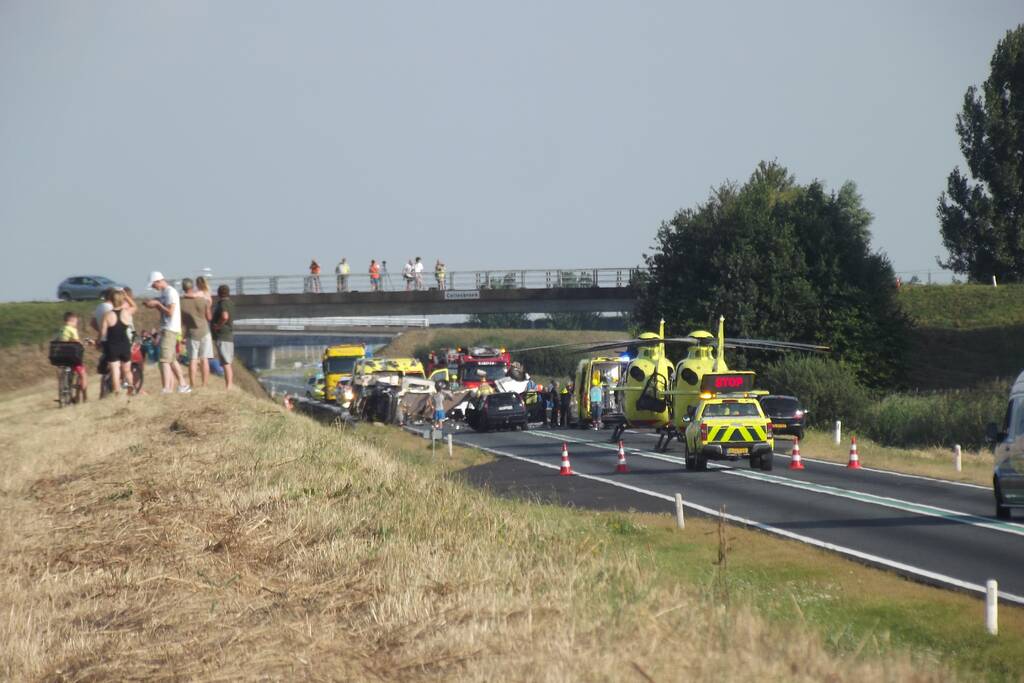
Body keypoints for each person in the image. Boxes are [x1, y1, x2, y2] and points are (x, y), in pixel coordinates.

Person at [143, 271, 189, 394]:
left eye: (153, 285)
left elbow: (170, 312)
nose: (153, 288)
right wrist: (152, 304)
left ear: (158, 281)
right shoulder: (165, 293)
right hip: (167, 328)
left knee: (164, 360)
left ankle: (167, 389)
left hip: (170, 329)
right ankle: (183, 385)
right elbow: (164, 308)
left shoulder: (170, 292)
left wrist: (157, 304)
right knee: (172, 359)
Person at [99, 289, 134, 397]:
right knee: (127, 370)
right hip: (125, 344)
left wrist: (97, 341)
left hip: (112, 345)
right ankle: (131, 388)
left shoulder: (107, 315)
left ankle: (117, 393)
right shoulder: (127, 312)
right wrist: (127, 296)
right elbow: (134, 306)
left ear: (111, 301)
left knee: (115, 370)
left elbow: (103, 333)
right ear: (122, 299)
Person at [180, 278, 213, 388]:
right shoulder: (202, 300)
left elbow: (182, 321)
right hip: (204, 331)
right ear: (192, 286)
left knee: (193, 360)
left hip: (191, 333)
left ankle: (193, 384)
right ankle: (204, 384)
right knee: (204, 359)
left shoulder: (182, 303)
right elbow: (209, 317)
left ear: (183, 288)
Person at [56, 311, 88, 402]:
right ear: (72, 320)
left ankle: (64, 389)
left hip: (61, 356)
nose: (76, 324)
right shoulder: (72, 329)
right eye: (76, 322)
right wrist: (83, 344)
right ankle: (85, 397)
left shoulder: (61, 329)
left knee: (68, 371)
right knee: (83, 374)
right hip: (72, 357)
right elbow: (76, 341)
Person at [211, 284, 235, 390]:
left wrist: (218, 325)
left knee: (226, 363)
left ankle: (228, 386)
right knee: (227, 362)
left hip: (223, 336)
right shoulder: (231, 303)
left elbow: (225, 316)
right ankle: (229, 385)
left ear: (219, 293)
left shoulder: (223, 304)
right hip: (228, 336)